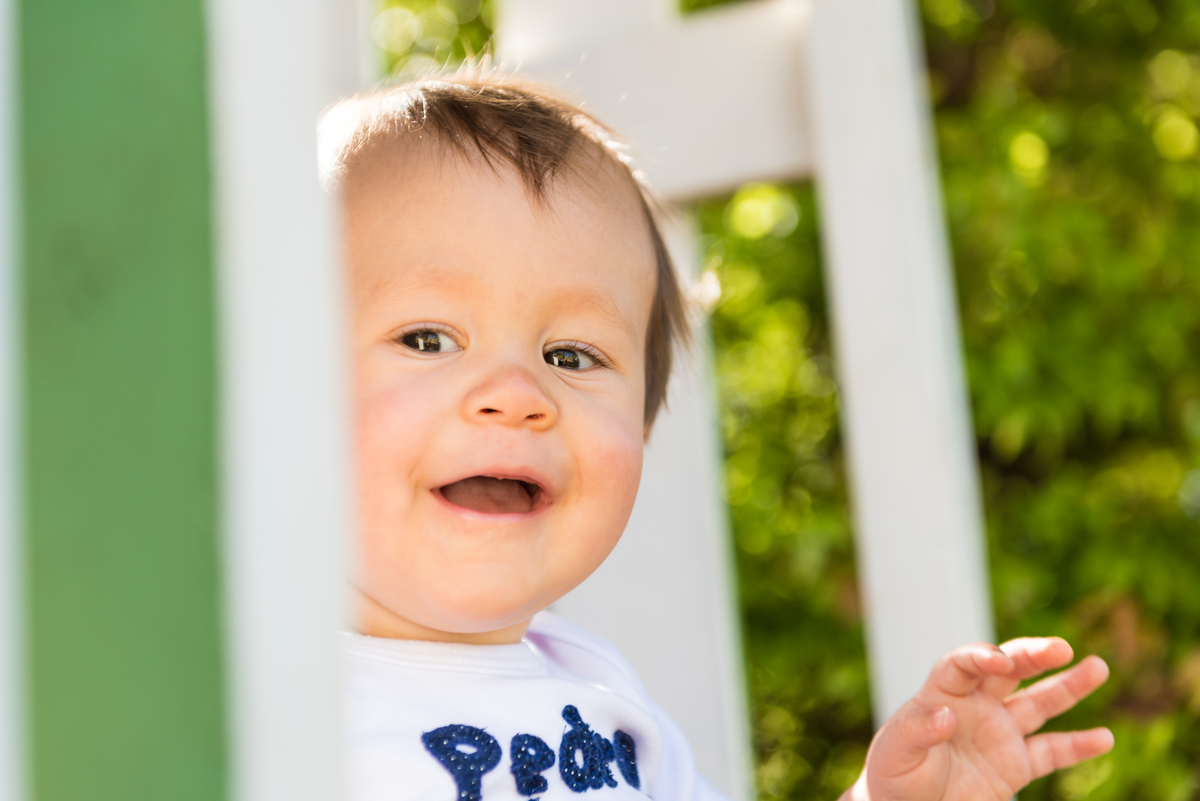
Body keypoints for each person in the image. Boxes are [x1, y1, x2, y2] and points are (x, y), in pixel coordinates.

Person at [320, 71, 1114, 801]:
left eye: (572, 355)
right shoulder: (250, 702)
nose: (518, 396)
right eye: (426, 337)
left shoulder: (606, 699)